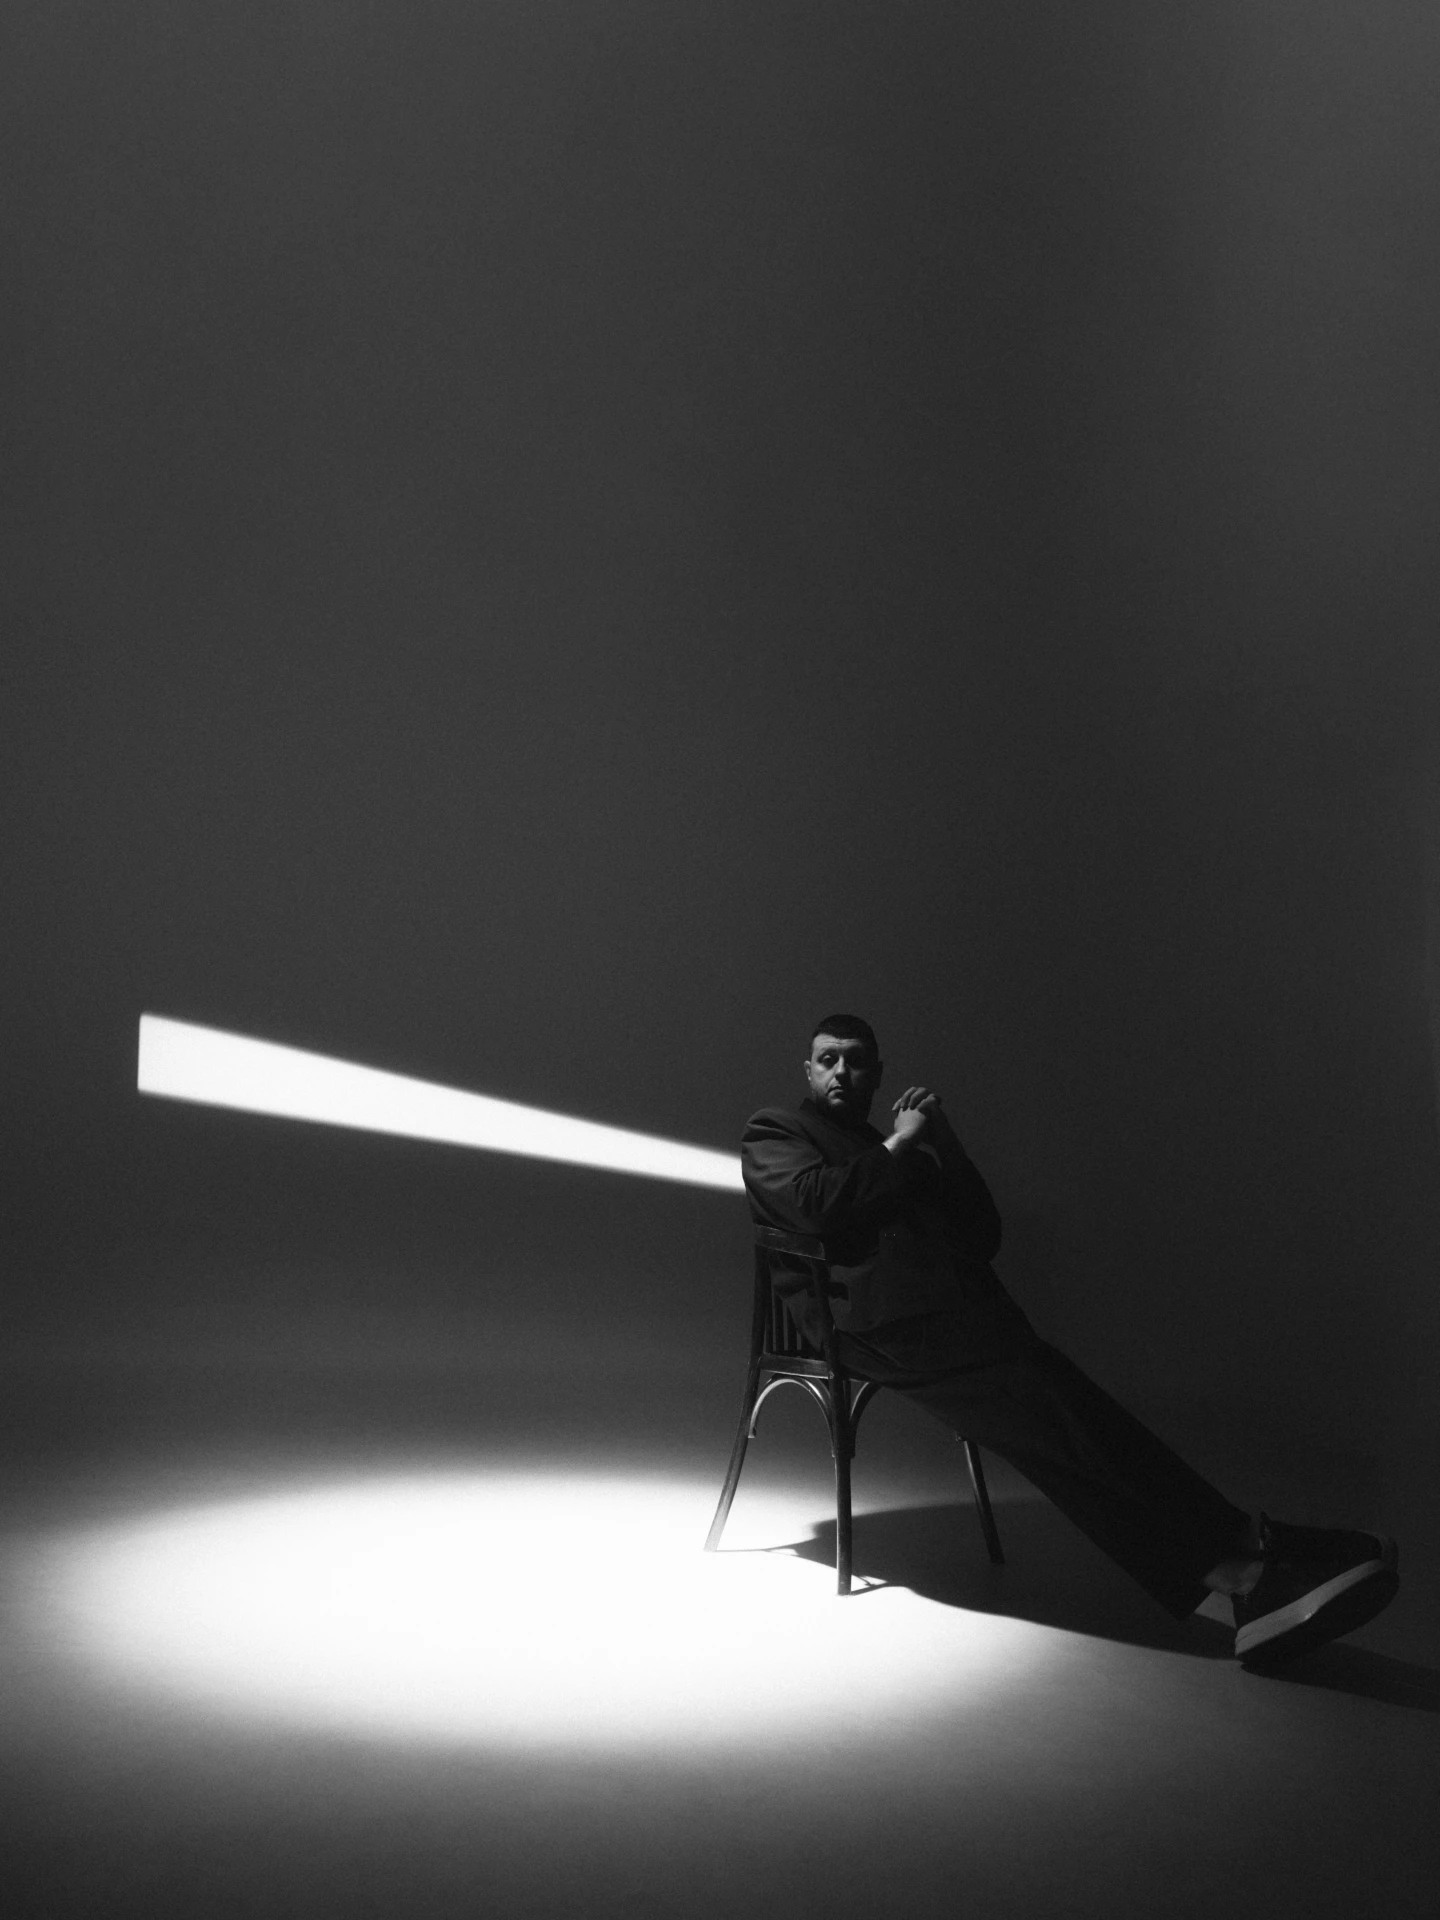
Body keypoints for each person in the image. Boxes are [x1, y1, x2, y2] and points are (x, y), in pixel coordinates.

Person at [740, 1013, 1399, 1668]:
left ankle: (1250, 1542)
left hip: (950, 1322)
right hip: (868, 1329)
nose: (842, 1072)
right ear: (809, 1070)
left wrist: (946, 1144)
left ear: (877, 1073)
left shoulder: (895, 1147)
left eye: (857, 1060)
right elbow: (815, 1205)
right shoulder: (776, 1131)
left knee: (1075, 1414)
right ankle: (1242, 1577)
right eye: (829, 1059)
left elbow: (981, 1235)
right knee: (1057, 1424)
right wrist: (902, 1144)